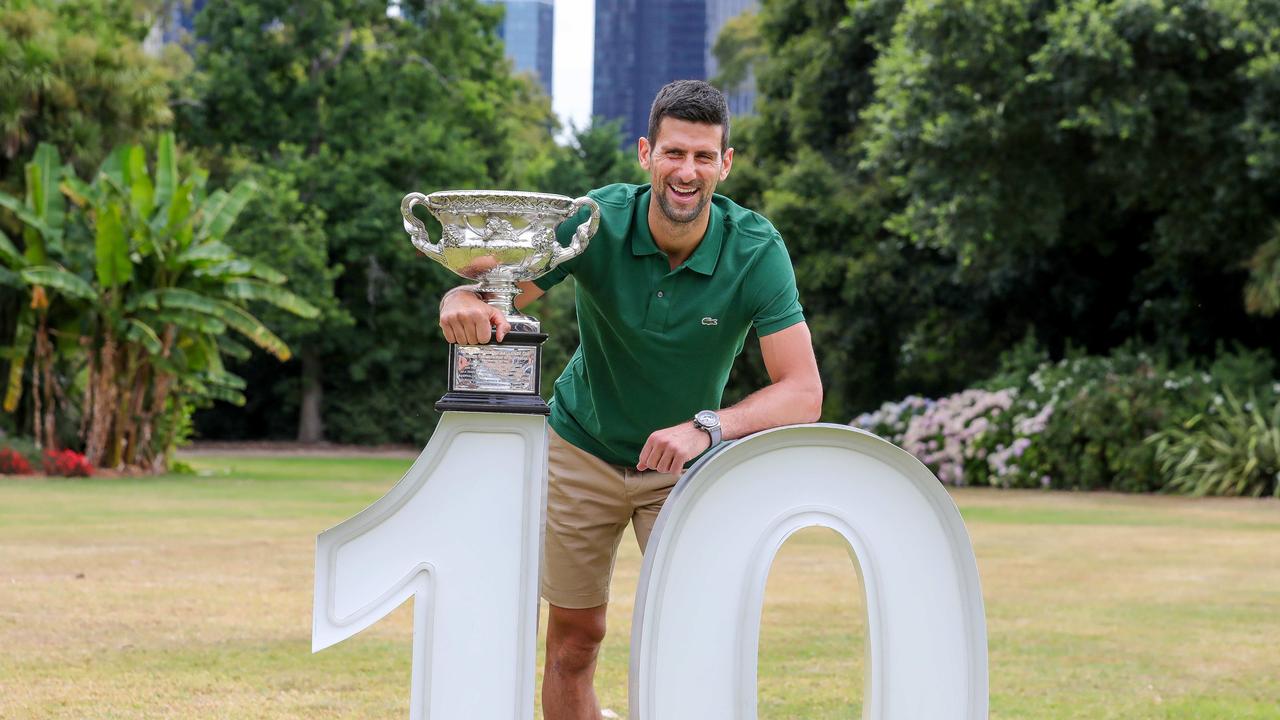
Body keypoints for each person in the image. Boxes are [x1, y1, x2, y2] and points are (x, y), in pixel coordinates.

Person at [437, 80, 822, 720]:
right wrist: (458, 299)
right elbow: (499, 297)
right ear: (647, 153)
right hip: (582, 447)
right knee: (574, 641)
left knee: (690, 641)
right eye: (674, 153)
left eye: (703, 157)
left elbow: (802, 391)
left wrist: (709, 427)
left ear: (725, 164)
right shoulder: (595, 222)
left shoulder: (755, 249)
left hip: (680, 464)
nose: (687, 171)